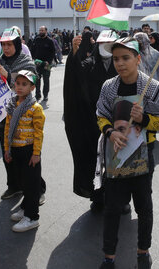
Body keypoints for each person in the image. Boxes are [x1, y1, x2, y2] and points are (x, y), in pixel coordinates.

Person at [96, 37, 159, 269]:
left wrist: (144, 119)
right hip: (115, 156)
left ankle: (142, 251)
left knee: (144, 207)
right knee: (112, 208)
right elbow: (100, 115)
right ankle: (109, 256)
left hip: (143, 158)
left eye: (126, 58)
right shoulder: (109, 87)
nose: (120, 63)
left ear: (138, 59)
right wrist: (109, 132)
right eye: (116, 58)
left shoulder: (152, 88)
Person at [0, 27, 45, 201]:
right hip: (3, 116)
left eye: (10, 44)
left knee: (28, 155)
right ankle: (14, 186)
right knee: (8, 154)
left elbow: (31, 80)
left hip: (24, 115)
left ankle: (37, 190)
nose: (6, 48)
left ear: (17, 44)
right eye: (3, 45)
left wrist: (8, 76)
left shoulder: (25, 60)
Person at [63, 29, 119, 211]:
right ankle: (97, 196)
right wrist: (73, 53)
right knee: (97, 161)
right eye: (102, 44)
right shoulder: (90, 63)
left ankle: (121, 199)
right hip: (93, 123)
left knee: (119, 161)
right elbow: (75, 75)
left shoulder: (122, 64)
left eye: (110, 45)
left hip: (118, 122)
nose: (106, 48)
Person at [4, 70, 45, 232]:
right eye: (17, 83)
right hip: (15, 149)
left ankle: (32, 217)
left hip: (29, 152)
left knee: (32, 184)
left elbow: (38, 133)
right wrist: (7, 149)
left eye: (24, 84)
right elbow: (8, 128)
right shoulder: (12, 105)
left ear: (32, 87)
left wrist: (36, 154)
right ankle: (25, 207)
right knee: (22, 182)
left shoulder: (35, 108)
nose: (19, 87)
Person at [31, 26, 56, 102]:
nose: (41, 32)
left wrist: (49, 61)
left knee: (46, 80)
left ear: (46, 31)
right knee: (37, 80)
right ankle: (37, 95)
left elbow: (53, 52)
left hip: (46, 64)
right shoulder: (36, 39)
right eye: (40, 30)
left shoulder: (50, 41)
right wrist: (34, 59)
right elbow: (32, 49)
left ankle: (45, 95)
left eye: (42, 30)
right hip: (37, 64)